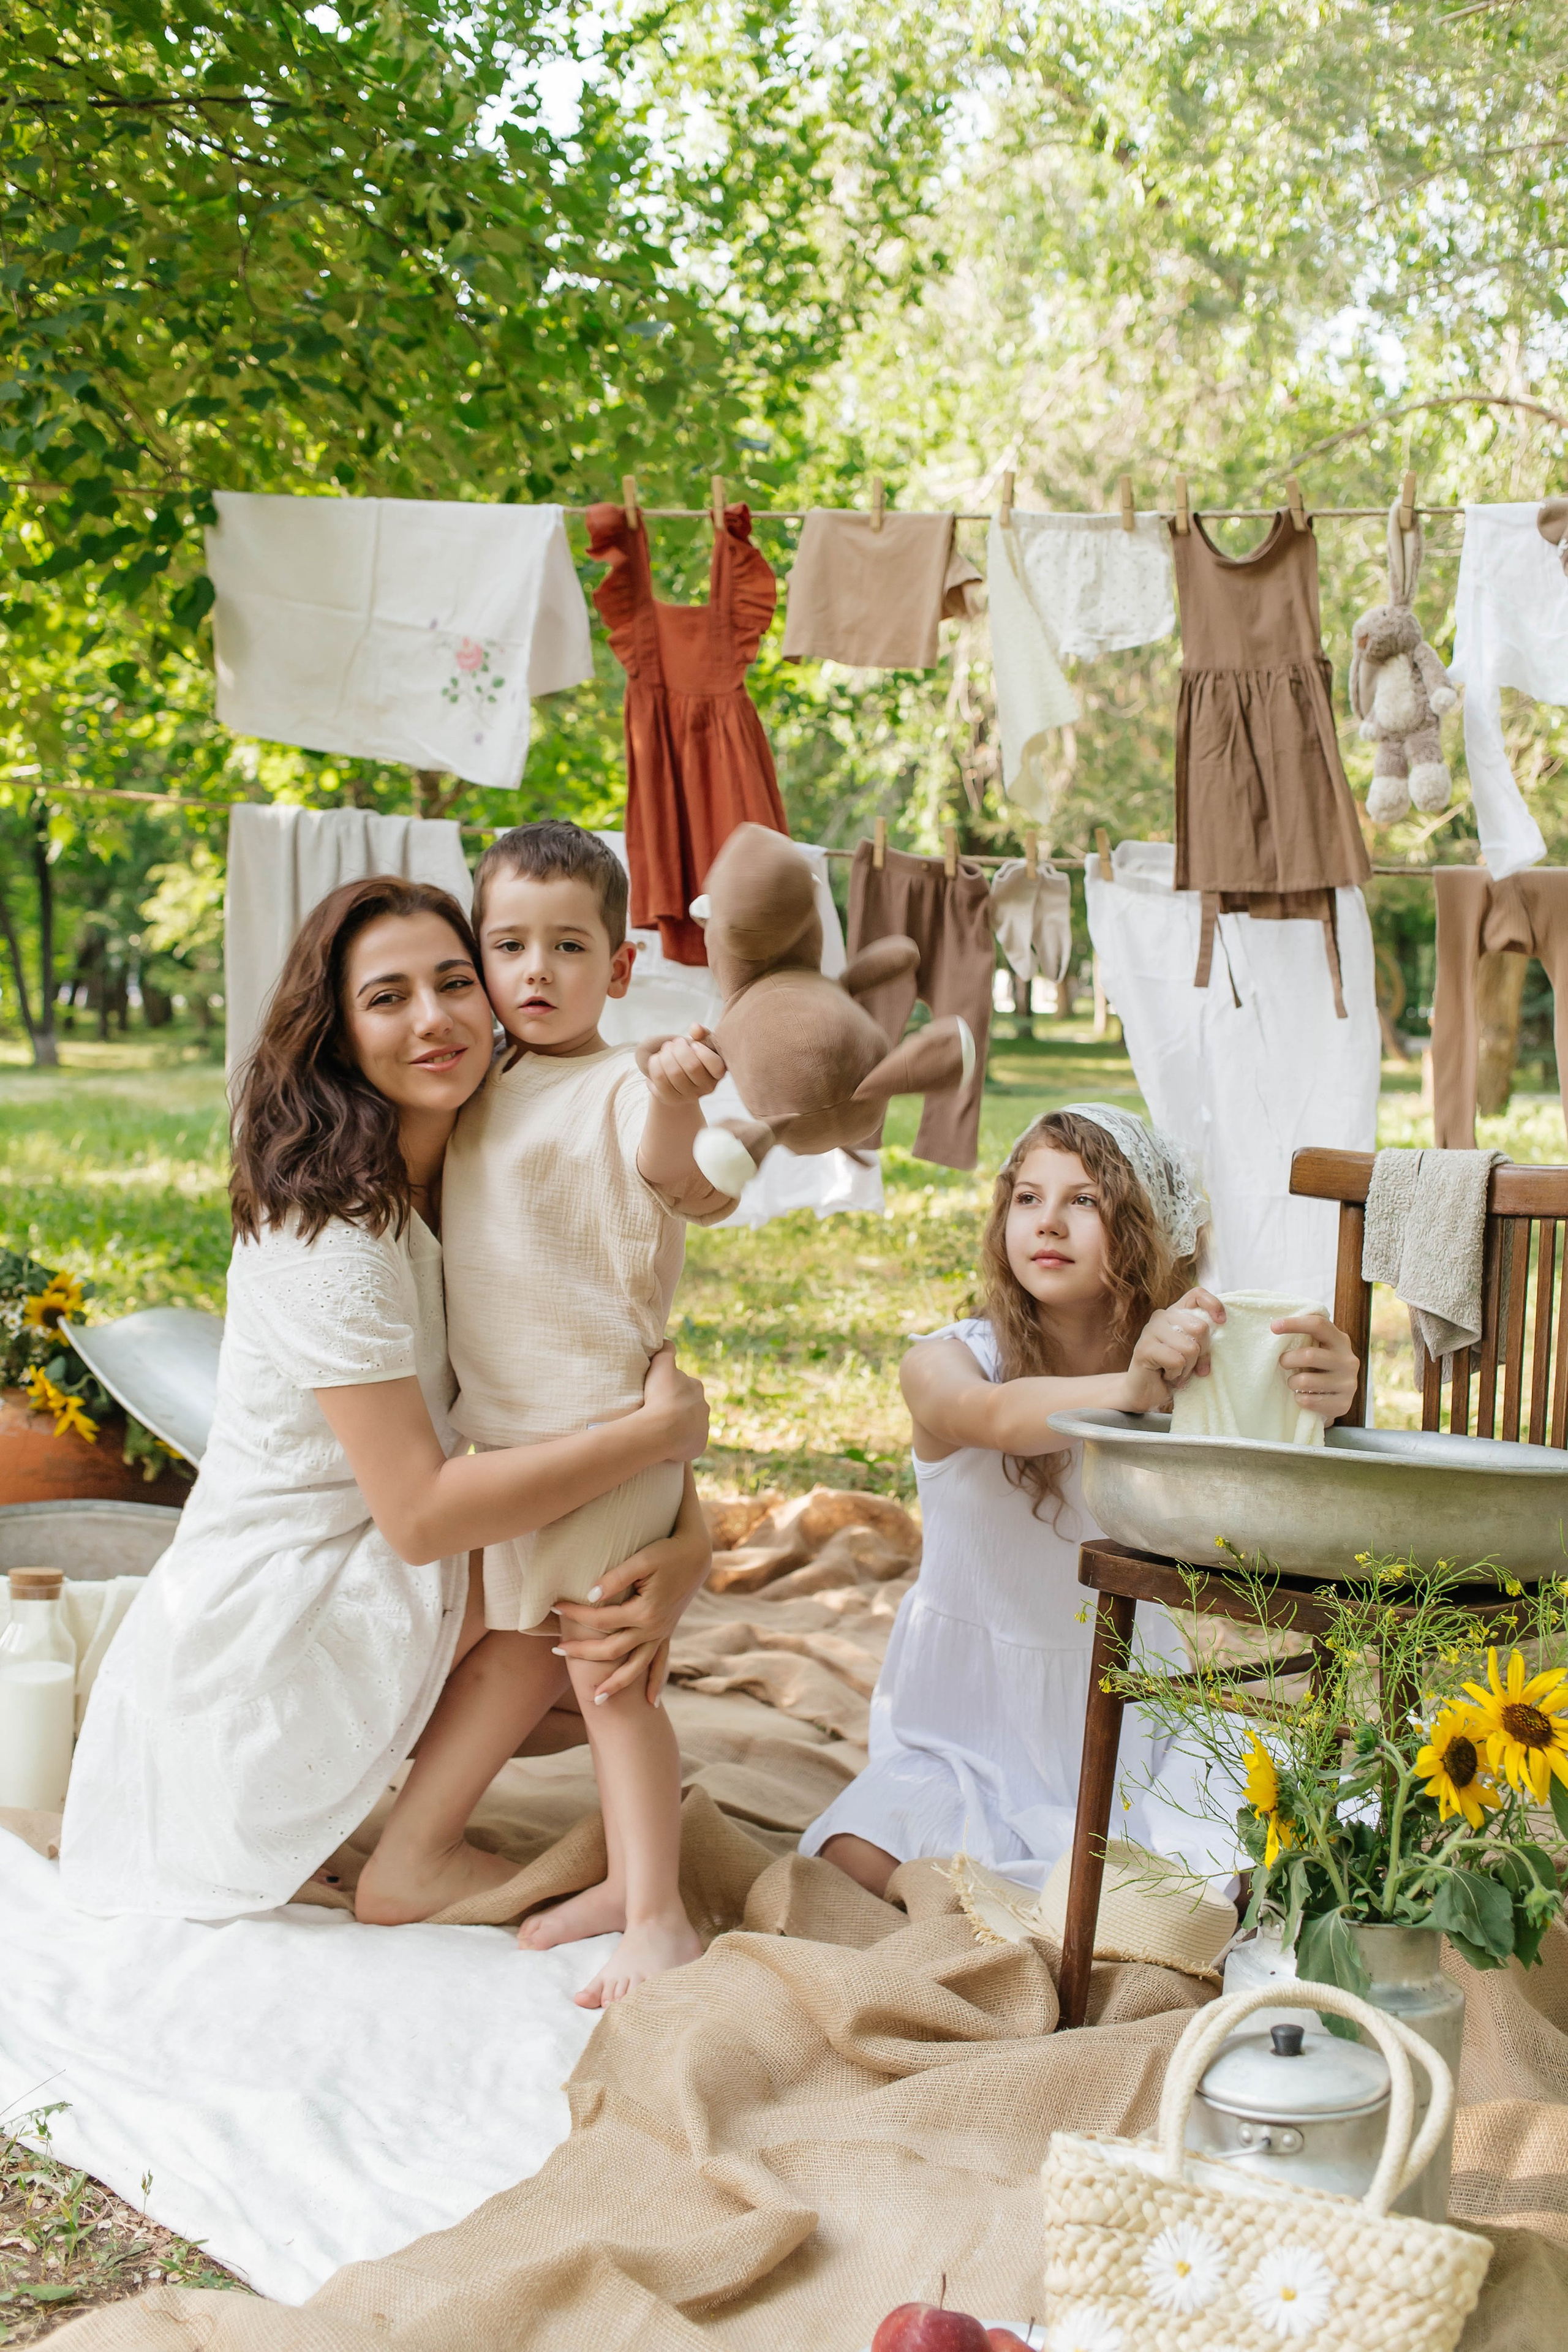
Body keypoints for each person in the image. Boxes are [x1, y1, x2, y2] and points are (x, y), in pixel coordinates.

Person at [60, 877, 713, 1930]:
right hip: (267, 1639)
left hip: (364, 1565)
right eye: (387, 997)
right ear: (336, 1035)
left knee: (607, 1612)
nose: (435, 1019)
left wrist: (694, 1543)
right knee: (565, 1594)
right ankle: (417, 1854)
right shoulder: (331, 1238)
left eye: (456, 982)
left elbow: (551, 1381)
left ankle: (417, 1814)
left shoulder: (473, 1170)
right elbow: (419, 1519)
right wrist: (658, 1437)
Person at [800, 1103, 1359, 1898]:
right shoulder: (948, 1362)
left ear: (1142, 1228)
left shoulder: (1186, 1380)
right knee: (860, 1852)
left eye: (1083, 1200)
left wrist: (1326, 1400)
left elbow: (1280, 1498)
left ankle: (1126, 1900)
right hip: (965, 1727)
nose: (1047, 1222)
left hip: (1134, 1711)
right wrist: (1130, 1389)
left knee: (1281, 1841)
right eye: (1027, 1198)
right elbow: (991, 1419)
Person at [439, 821, 738, 2007]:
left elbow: (677, 1178)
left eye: (570, 947)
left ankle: (659, 1915)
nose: (537, 972)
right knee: (562, 1658)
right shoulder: (488, 1079)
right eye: (509, 944)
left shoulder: (622, 1084)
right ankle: (624, 1880)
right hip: (514, 1442)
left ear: (618, 968)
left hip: (605, 1434)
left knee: (614, 1685)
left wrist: (672, 1093)